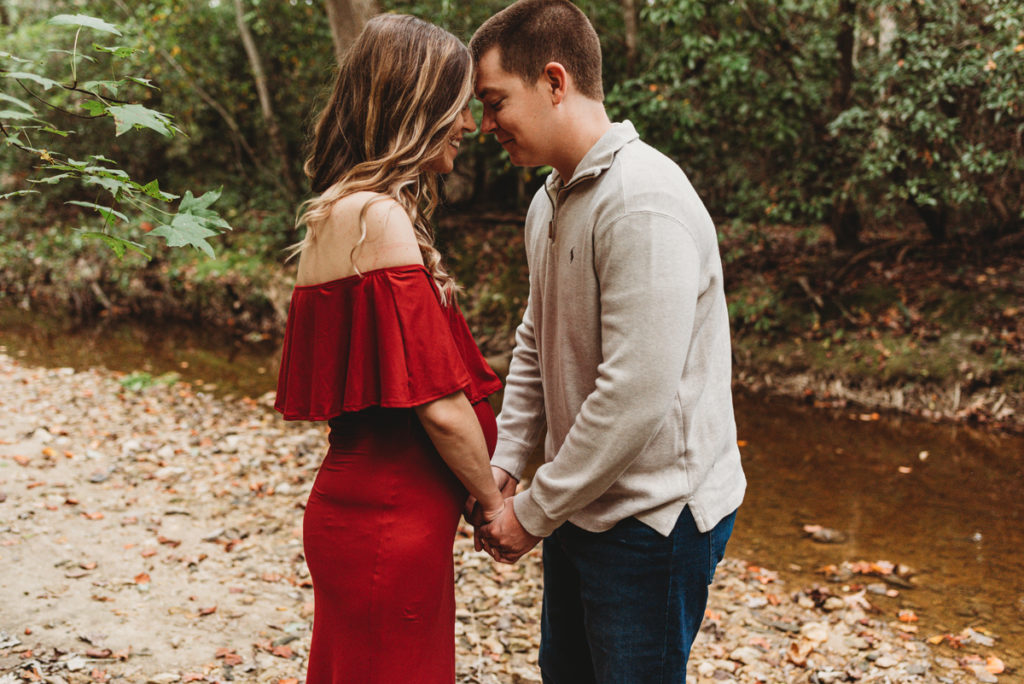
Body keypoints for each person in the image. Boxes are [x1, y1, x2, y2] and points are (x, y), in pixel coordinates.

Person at [469, 1, 747, 681]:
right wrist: (508, 458)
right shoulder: (550, 200)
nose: (485, 125)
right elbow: (536, 340)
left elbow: (634, 395)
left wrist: (531, 512)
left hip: (654, 522)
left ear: (554, 82)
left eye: (495, 100)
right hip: (581, 505)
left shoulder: (643, 200)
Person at [274, 14, 507, 683]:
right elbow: (438, 404)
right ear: (419, 106)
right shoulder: (376, 218)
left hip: (370, 518)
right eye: (459, 106)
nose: (469, 124)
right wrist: (492, 503)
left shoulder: (338, 213)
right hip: (387, 524)